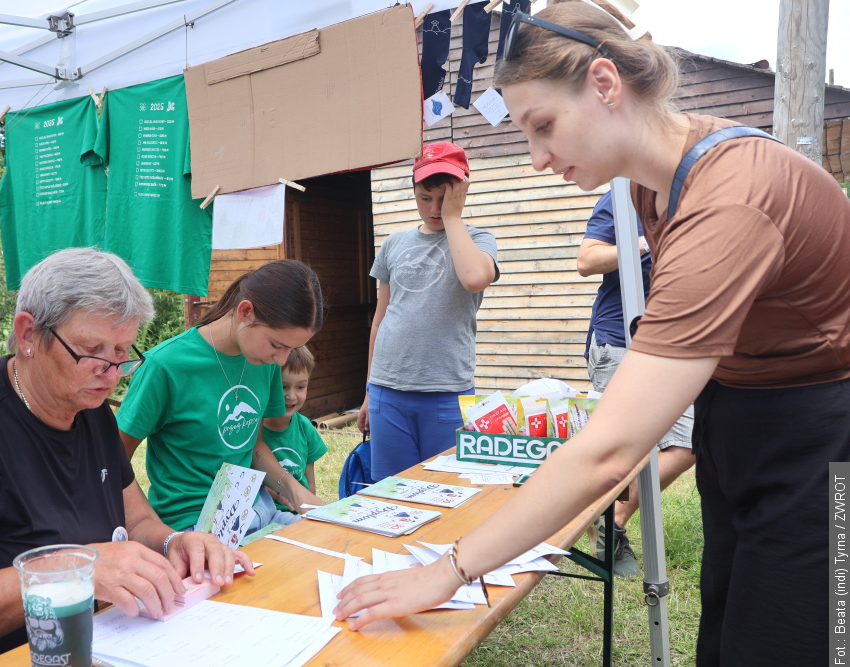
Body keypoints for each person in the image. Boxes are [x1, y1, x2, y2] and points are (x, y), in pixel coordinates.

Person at [335, 4, 850, 665]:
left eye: (543, 126)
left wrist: (448, 570)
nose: (536, 158)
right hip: (738, 413)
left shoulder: (733, 195)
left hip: (818, 432)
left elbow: (610, 450)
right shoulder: (647, 189)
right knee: (726, 632)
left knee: (794, 641)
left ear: (605, 84)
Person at [0, 247, 253, 666]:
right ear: (29, 335)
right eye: (91, 349)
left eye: (122, 352)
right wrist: (72, 572)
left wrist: (176, 542)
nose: (112, 373)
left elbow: (135, 522)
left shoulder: (88, 408)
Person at [118, 260, 326, 534]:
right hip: (193, 526)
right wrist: (153, 530)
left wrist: (296, 492)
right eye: (277, 345)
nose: (282, 360)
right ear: (245, 312)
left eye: (292, 349)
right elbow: (113, 459)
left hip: (260, 512)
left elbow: (253, 446)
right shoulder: (165, 366)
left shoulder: (265, 361)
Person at [358, 141, 499, 480]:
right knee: (390, 488)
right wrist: (368, 390)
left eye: (444, 198)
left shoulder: (479, 239)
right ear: (413, 191)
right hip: (387, 389)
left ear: (462, 192)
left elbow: (475, 278)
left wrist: (453, 217)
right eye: (425, 198)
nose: (434, 208)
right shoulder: (394, 243)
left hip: (446, 391)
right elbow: (380, 319)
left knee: (446, 487)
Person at [578, 190, 694, 578]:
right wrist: (647, 241)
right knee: (623, 449)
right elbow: (587, 260)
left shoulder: (696, 196)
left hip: (674, 344)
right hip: (618, 339)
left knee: (688, 443)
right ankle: (607, 528)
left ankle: (608, 518)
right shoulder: (622, 197)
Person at [261, 345, 328, 511]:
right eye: (283, 386)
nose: (291, 396)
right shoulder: (254, 430)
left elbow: (309, 481)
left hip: (299, 513)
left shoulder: (305, 427)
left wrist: (308, 510)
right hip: (266, 512)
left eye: (300, 387)